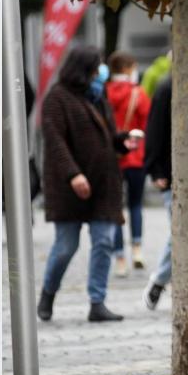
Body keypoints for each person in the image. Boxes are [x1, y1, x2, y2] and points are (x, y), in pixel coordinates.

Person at [37, 46, 138, 322]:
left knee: (104, 242)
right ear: (83, 69)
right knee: (66, 246)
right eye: (96, 67)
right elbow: (55, 141)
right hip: (70, 187)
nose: (100, 72)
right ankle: (48, 293)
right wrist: (73, 174)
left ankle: (97, 302)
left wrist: (122, 141)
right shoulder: (57, 98)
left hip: (103, 184)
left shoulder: (97, 96)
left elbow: (108, 135)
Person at [106, 51, 152, 276]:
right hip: (135, 157)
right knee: (135, 204)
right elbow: (146, 124)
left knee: (115, 208)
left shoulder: (103, 93)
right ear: (126, 68)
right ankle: (137, 250)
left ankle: (120, 259)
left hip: (111, 157)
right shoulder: (138, 93)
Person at [142, 75, 172, 309]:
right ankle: (159, 282)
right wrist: (156, 169)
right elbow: (155, 129)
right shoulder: (167, 88)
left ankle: (160, 282)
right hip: (172, 174)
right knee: (180, 235)